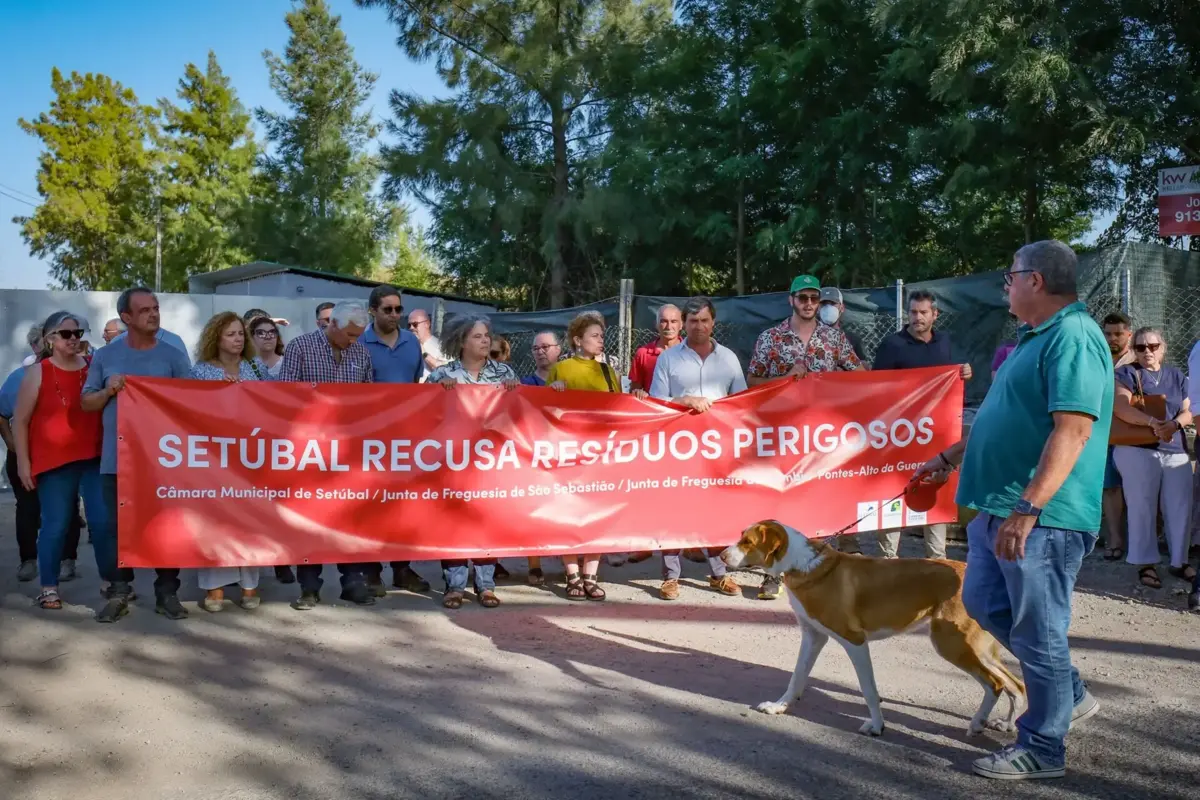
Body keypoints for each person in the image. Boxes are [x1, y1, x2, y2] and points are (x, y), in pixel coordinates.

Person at [914, 240, 1108, 780]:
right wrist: (949, 456)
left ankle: (1044, 747)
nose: (1006, 284)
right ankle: (1068, 694)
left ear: (1036, 281)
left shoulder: (1073, 335)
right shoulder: (1032, 339)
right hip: (998, 507)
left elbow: (1073, 430)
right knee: (980, 600)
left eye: (1011, 275)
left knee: (1039, 628)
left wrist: (1028, 509)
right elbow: (1007, 420)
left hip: (1040, 516)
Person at [83, 287, 193, 623]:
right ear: (126, 318)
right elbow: (87, 403)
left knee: (167, 526)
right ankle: (119, 591)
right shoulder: (106, 357)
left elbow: (193, 404)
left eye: (156, 308)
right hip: (118, 460)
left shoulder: (173, 355)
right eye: (145, 310)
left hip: (163, 461)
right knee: (116, 529)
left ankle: (167, 592)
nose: (154, 314)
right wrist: (108, 389)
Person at [747, 274, 861, 596]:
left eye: (814, 298)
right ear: (791, 300)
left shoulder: (834, 339)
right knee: (780, 501)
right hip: (783, 433)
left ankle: (821, 573)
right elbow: (752, 381)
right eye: (803, 298)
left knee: (825, 498)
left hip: (824, 435)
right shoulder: (771, 338)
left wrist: (837, 382)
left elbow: (861, 376)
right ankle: (773, 571)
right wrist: (783, 378)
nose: (809, 304)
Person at [646, 297, 746, 602]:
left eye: (704, 320)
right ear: (684, 324)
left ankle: (719, 574)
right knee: (673, 510)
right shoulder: (668, 359)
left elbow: (741, 402)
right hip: (677, 448)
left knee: (715, 512)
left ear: (713, 322)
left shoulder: (728, 358)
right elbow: (656, 401)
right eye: (693, 321)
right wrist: (685, 401)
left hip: (717, 451)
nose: (699, 326)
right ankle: (670, 577)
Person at [279, 300, 376, 610]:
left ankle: (352, 581)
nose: (354, 341)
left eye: (358, 335)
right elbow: (285, 398)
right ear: (332, 324)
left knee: (350, 516)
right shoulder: (300, 347)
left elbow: (368, 399)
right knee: (309, 518)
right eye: (349, 334)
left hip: (348, 450)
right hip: (309, 449)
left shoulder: (361, 353)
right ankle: (309, 587)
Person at [11, 311, 110, 611]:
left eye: (78, 333)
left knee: (103, 522)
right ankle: (48, 587)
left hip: (93, 457)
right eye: (66, 334)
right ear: (50, 339)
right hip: (54, 461)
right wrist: (23, 464)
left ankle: (111, 582)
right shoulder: (37, 373)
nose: (74, 339)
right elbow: (20, 421)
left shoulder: (93, 367)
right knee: (56, 524)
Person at [869, 290, 972, 560]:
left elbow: (957, 377)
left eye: (923, 312)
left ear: (935, 315)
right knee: (893, 492)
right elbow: (875, 390)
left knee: (936, 492)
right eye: (913, 312)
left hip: (935, 437)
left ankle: (937, 563)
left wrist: (965, 373)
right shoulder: (892, 345)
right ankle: (887, 563)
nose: (917, 317)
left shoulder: (946, 343)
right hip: (899, 437)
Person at [427, 315, 520, 609]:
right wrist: (436, 393)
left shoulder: (503, 372)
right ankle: (454, 585)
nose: (485, 341)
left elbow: (518, 414)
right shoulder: (443, 374)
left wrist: (515, 392)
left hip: (491, 461)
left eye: (486, 336)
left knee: (486, 518)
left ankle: (486, 584)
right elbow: (422, 415)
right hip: (453, 460)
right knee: (453, 520)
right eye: (478, 336)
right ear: (462, 341)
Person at [190, 312, 266, 611]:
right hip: (214, 458)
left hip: (250, 456)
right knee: (216, 521)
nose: (237, 339)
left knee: (249, 520)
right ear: (216, 338)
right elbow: (190, 414)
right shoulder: (201, 372)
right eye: (231, 334)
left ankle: (249, 586)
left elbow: (274, 405)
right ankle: (215, 588)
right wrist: (220, 394)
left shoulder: (255, 368)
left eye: (240, 334)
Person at [358, 285, 430, 595]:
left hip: (405, 438)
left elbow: (415, 385)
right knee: (374, 506)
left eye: (398, 309)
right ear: (372, 310)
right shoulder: (359, 343)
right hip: (371, 438)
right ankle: (372, 571)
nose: (395, 315)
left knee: (403, 505)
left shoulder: (412, 343)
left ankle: (402, 568)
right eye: (388, 309)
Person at [546, 311, 622, 601]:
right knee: (569, 512)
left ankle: (591, 573)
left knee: (597, 511)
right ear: (578, 340)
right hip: (568, 450)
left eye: (602, 336)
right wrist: (554, 391)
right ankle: (572, 574)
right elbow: (545, 408)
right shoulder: (562, 368)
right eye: (594, 335)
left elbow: (619, 408)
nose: (600, 340)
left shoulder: (608, 372)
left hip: (600, 451)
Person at [1112, 327, 1194, 589]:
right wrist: (1153, 422)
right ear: (1133, 350)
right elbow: (1121, 407)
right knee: (1141, 505)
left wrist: (1174, 425)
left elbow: (1188, 410)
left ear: (1163, 347)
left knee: (1181, 505)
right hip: (1137, 448)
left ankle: (1179, 561)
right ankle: (1144, 562)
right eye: (1140, 347)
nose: (1148, 351)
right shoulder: (1124, 373)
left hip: (1174, 447)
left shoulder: (1176, 375)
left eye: (1153, 346)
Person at [1, 324, 83, 583]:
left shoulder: (79, 372)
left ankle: (67, 560)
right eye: (39, 344)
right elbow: (2, 414)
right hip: (27, 453)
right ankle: (29, 560)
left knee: (67, 507)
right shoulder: (20, 377)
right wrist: (13, 444)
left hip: (62, 453)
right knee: (27, 507)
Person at [1101, 312, 1136, 560]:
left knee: (1136, 489)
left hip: (1134, 434)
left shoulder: (1140, 359)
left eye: (1118, 334)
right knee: (1110, 487)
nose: (1112, 338)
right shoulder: (1097, 358)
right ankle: (1115, 538)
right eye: (1108, 333)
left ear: (1129, 335)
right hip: (1103, 433)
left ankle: (1139, 540)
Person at [629, 304, 682, 392]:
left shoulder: (690, 352)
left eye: (673, 321)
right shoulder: (643, 354)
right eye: (664, 321)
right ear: (656, 324)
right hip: (652, 405)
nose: (668, 327)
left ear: (681, 325)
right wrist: (638, 393)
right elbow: (634, 391)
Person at [817, 288, 867, 363]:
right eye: (824, 304)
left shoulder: (853, 340)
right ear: (817, 308)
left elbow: (864, 369)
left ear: (842, 308)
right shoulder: (809, 339)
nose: (828, 307)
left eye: (833, 303)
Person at [407, 308, 450, 381]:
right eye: (409, 325)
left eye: (415, 324)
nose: (411, 328)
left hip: (431, 390)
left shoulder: (441, 346)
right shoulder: (406, 345)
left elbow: (448, 372)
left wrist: (424, 353)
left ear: (427, 324)